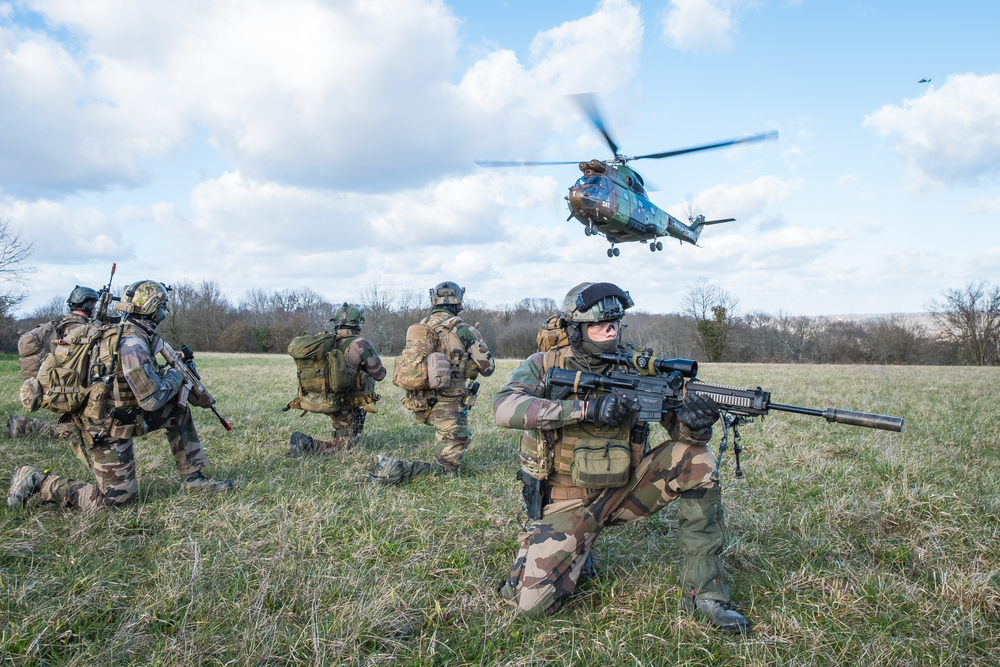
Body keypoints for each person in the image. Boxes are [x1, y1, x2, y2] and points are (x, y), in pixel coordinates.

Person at [492, 282, 749, 633]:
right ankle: (577, 550)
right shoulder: (543, 364)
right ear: (576, 329)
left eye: (615, 323)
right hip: (565, 503)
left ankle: (705, 594)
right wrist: (586, 409)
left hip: (622, 490)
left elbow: (681, 434)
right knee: (531, 607)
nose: (611, 332)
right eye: (601, 325)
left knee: (696, 459)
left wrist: (696, 426)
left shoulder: (637, 369)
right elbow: (504, 408)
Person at [7, 280, 233, 510]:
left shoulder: (136, 333)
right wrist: (175, 377)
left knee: (177, 410)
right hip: (105, 427)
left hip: (124, 415)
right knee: (113, 505)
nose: (164, 312)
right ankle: (38, 480)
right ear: (154, 308)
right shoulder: (132, 342)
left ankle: (193, 478)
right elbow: (151, 399)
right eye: (163, 306)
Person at [367, 281, 495, 484]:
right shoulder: (464, 330)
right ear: (459, 301)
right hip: (449, 408)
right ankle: (389, 468)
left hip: (420, 402)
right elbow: (488, 369)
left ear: (433, 300)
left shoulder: (420, 328)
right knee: (448, 472)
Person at [8, 286, 100, 467]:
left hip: (63, 384)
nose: (95, 308)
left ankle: (20, 425)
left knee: (79, 427)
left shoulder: (62, 324)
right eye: (93, 304)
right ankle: (23, 426)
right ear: (88, 304)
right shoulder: (80, 329)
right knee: (86, 430)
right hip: (70, 388)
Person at [287, 303, 387, 456]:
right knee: (346, 446)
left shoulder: (326, 341)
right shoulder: (359, 343)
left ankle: (343, 434)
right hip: (346, 401)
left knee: (348, 435)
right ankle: (306, 444)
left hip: (327, 396)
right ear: (357, 323)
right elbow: (379, 375)